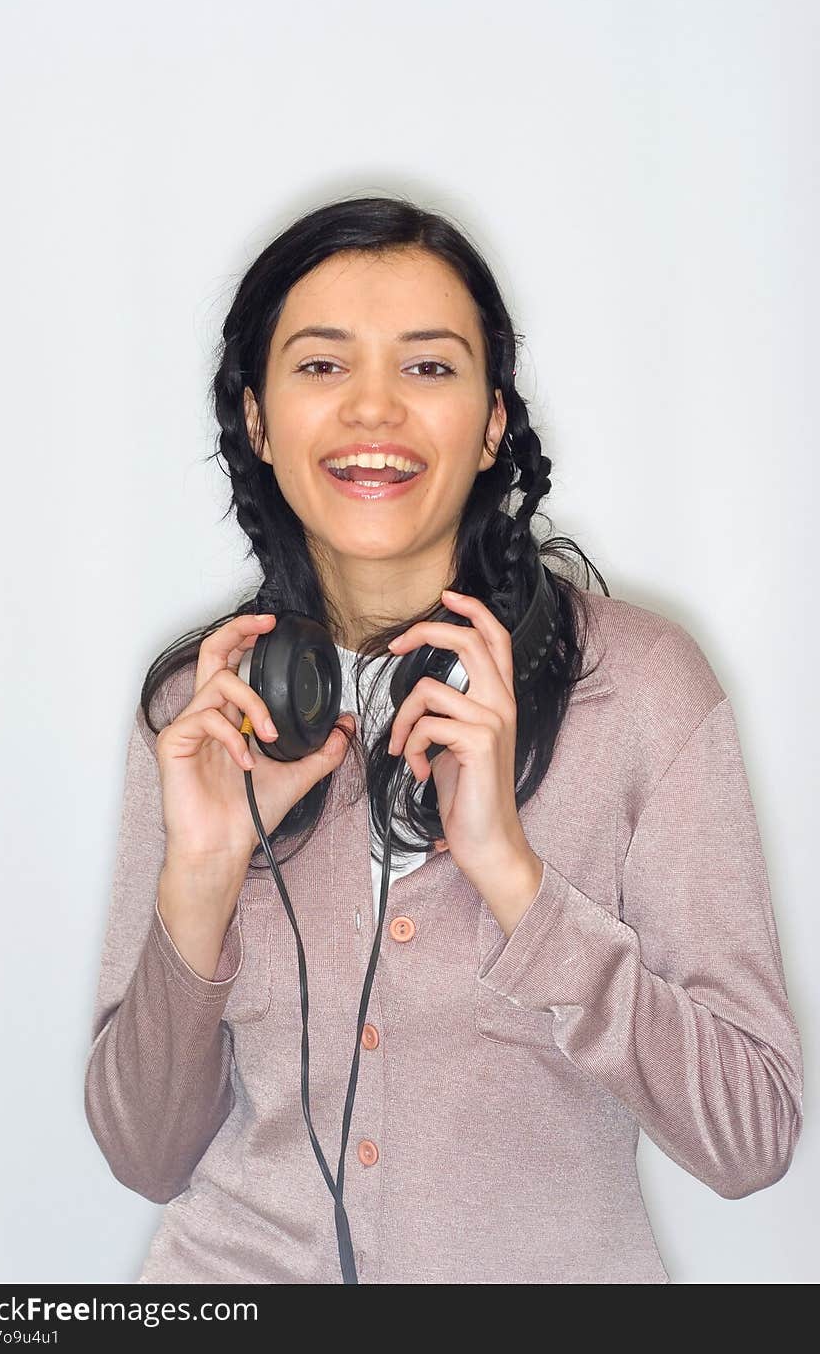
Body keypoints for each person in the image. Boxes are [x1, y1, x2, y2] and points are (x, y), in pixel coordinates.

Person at [84, 195, 804, 1285]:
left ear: (493, 423)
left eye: (428, 368)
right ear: (259, 419)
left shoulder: (647, 690)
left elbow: (751, 1135)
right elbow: (144, 1153)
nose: (374, 408)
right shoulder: (210, 705)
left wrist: (517, 877)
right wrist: (200, 877)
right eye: (322, 367)